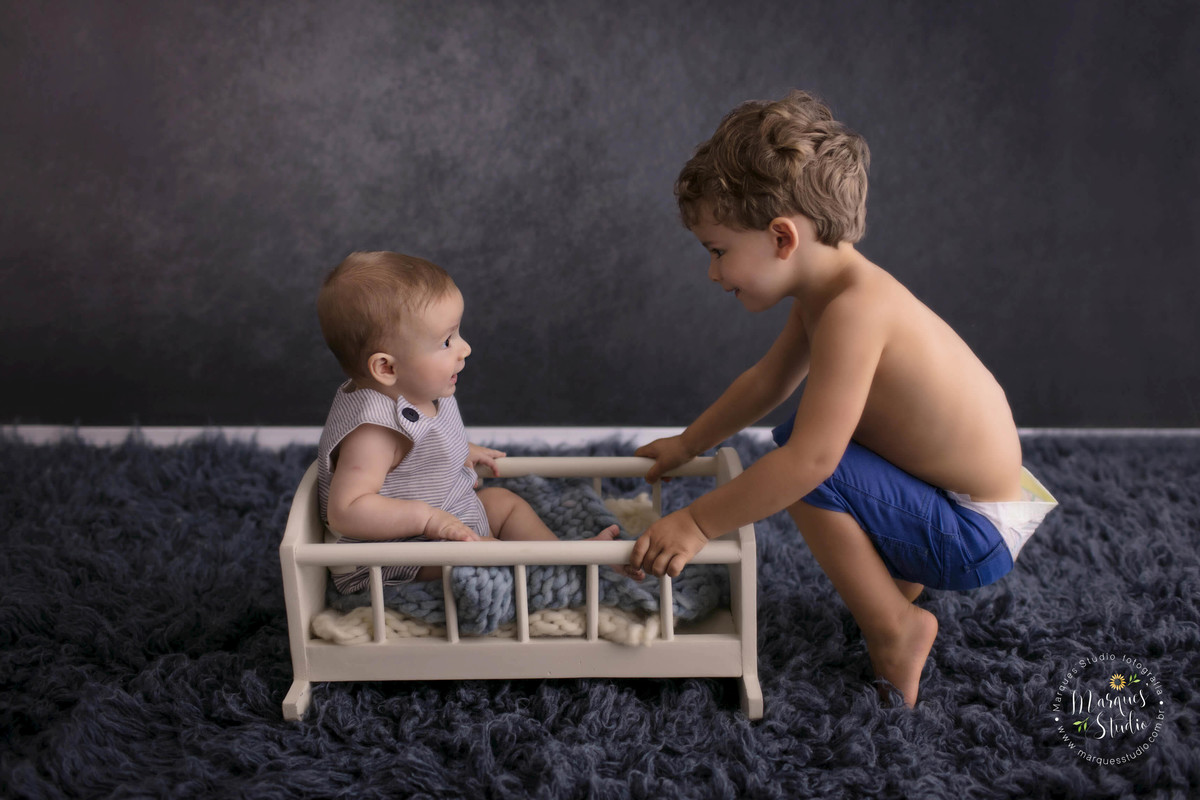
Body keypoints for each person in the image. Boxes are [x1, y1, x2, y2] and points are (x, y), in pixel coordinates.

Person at [628, 91, 1057, 707]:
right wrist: (691, 442)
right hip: (969, 496)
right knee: (811, 433)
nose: (714, 273)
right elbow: (766, 382)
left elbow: (812, 462)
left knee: (802, 458)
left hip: (973, 527)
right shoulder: (833, 291)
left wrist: (697, 523)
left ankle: (895, 626)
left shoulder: (855, 312)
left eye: (718, 251)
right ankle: (894, 586)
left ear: (782, 238)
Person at [315, 251, 635, 594]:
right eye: (446, 341)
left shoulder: (418, 392)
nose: (463, 348)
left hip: (445, 517)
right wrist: (427, 519)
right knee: (476, 558)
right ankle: (547, 573)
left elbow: (416, 454)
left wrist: (459, 449)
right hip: (391, 553)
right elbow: (347, 511)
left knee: (504, 504)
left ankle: (560, 557)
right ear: (387, 368)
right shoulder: (374, 432)